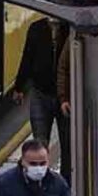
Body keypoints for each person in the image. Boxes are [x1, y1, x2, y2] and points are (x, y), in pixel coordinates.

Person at [13, 18, 71, 183]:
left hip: (65, 97)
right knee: (40, 142)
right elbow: (27, 57)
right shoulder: (36, 28)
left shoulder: (70, 29)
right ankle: (40, 183)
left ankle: (66, 183)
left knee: (67, 144)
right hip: (40, 93)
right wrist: (19, 87)